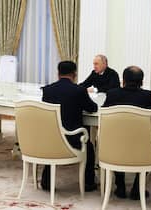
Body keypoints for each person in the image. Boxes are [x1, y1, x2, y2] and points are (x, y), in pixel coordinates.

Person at [103, 66, 151, 200]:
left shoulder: (112, 94)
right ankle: (137, 189)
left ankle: (120, 186)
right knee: (147, 146)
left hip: (115, 148)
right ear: (142, 82)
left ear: (123, 81)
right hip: (142, 149)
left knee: (117, 143)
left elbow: (103, 114)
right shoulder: (148, 96)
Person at [41, 61, 98, 192]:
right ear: (74, 74)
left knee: (53, 144)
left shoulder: (47, 90)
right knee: (89, 146)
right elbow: (92, 108)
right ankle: (88, 183)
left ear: (58, 74)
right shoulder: (79, 90)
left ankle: (46, 180)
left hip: (52, 138)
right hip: (73, 139)